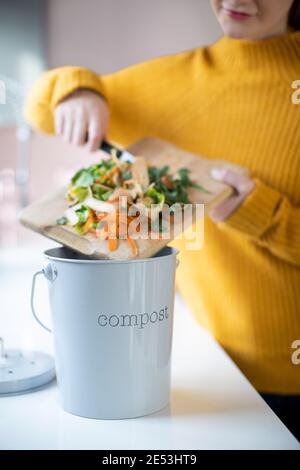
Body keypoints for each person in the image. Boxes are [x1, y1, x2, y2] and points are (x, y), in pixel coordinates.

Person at [24, 0, 300, 440]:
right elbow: (39, 107)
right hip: (209, 371)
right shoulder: (173, 81)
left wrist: (262, 216)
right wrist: (75, 89)